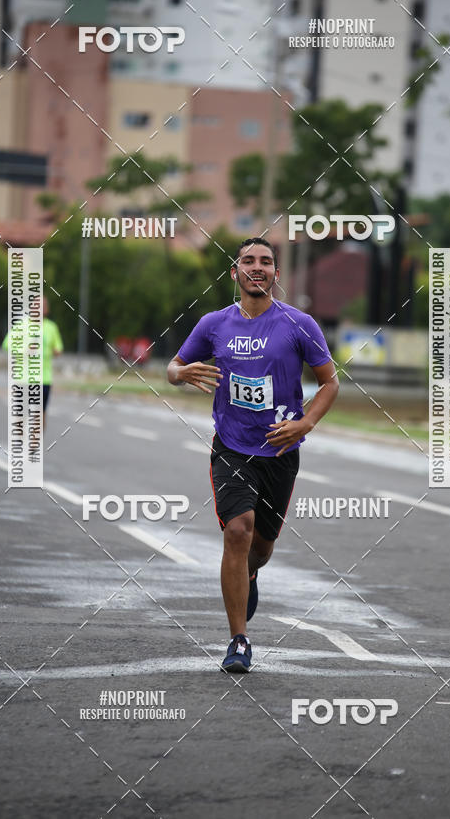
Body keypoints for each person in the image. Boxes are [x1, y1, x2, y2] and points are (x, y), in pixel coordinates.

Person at [167, 237, 338, 673]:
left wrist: (305, 423)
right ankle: (238, 640)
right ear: (235, 272)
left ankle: (253, 574)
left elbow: (330, 383)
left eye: (265, 261)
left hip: (280, 449)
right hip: (232, 446)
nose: (257, 267)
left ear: (276, 274)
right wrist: (180, 373)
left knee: (261, 547)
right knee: (238, 533)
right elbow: (173, 367)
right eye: (248, 261)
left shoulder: (299, 324)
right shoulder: (213, 323)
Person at [2, 295, 63, 431]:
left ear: (47, 310)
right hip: (23, 378)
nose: (39, 309)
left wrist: (56, 351)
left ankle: (34, 447)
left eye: (43, 307)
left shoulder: (51, 327)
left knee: (40, 414)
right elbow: (7, 344)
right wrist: (24, 350)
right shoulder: (21, 325)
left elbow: (58, 347)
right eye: (37, 305)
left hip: (43, 379)